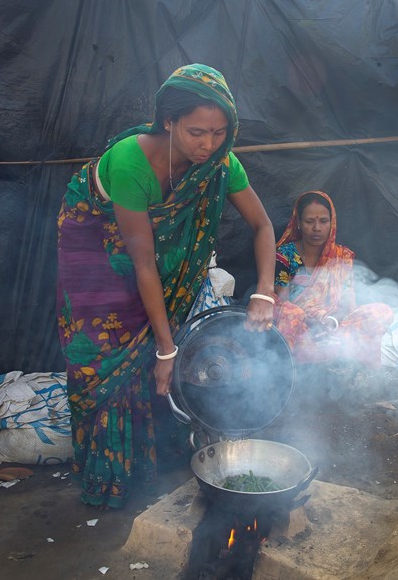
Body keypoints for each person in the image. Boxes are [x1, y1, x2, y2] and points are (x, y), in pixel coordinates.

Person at [56, 63, 276, 508]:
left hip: (147, 263)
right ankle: (110, 476)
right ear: (168, 121)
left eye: (218, 133)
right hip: (96, 246)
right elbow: (144, 264)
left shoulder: (219, 164)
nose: (208, 144)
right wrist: (165, 348)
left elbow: (263, 225)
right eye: (196, 131)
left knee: (156, 351)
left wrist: (264, 291)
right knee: (105, 353)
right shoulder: (130, 163)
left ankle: (152, 457)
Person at [274, 191, 393, 369]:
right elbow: (281, 302)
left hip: (334, 327)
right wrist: (312, 322)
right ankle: (302, 363)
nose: (317, 228)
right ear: (298, 223)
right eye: (309, 221)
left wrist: (331, 323)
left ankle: (357, 365)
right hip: (302, 328)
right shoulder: (285, 255)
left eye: (323, 221)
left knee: (381, 312)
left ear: (332, 223)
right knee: (291, 315)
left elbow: (346, 302)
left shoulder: (341, 256)